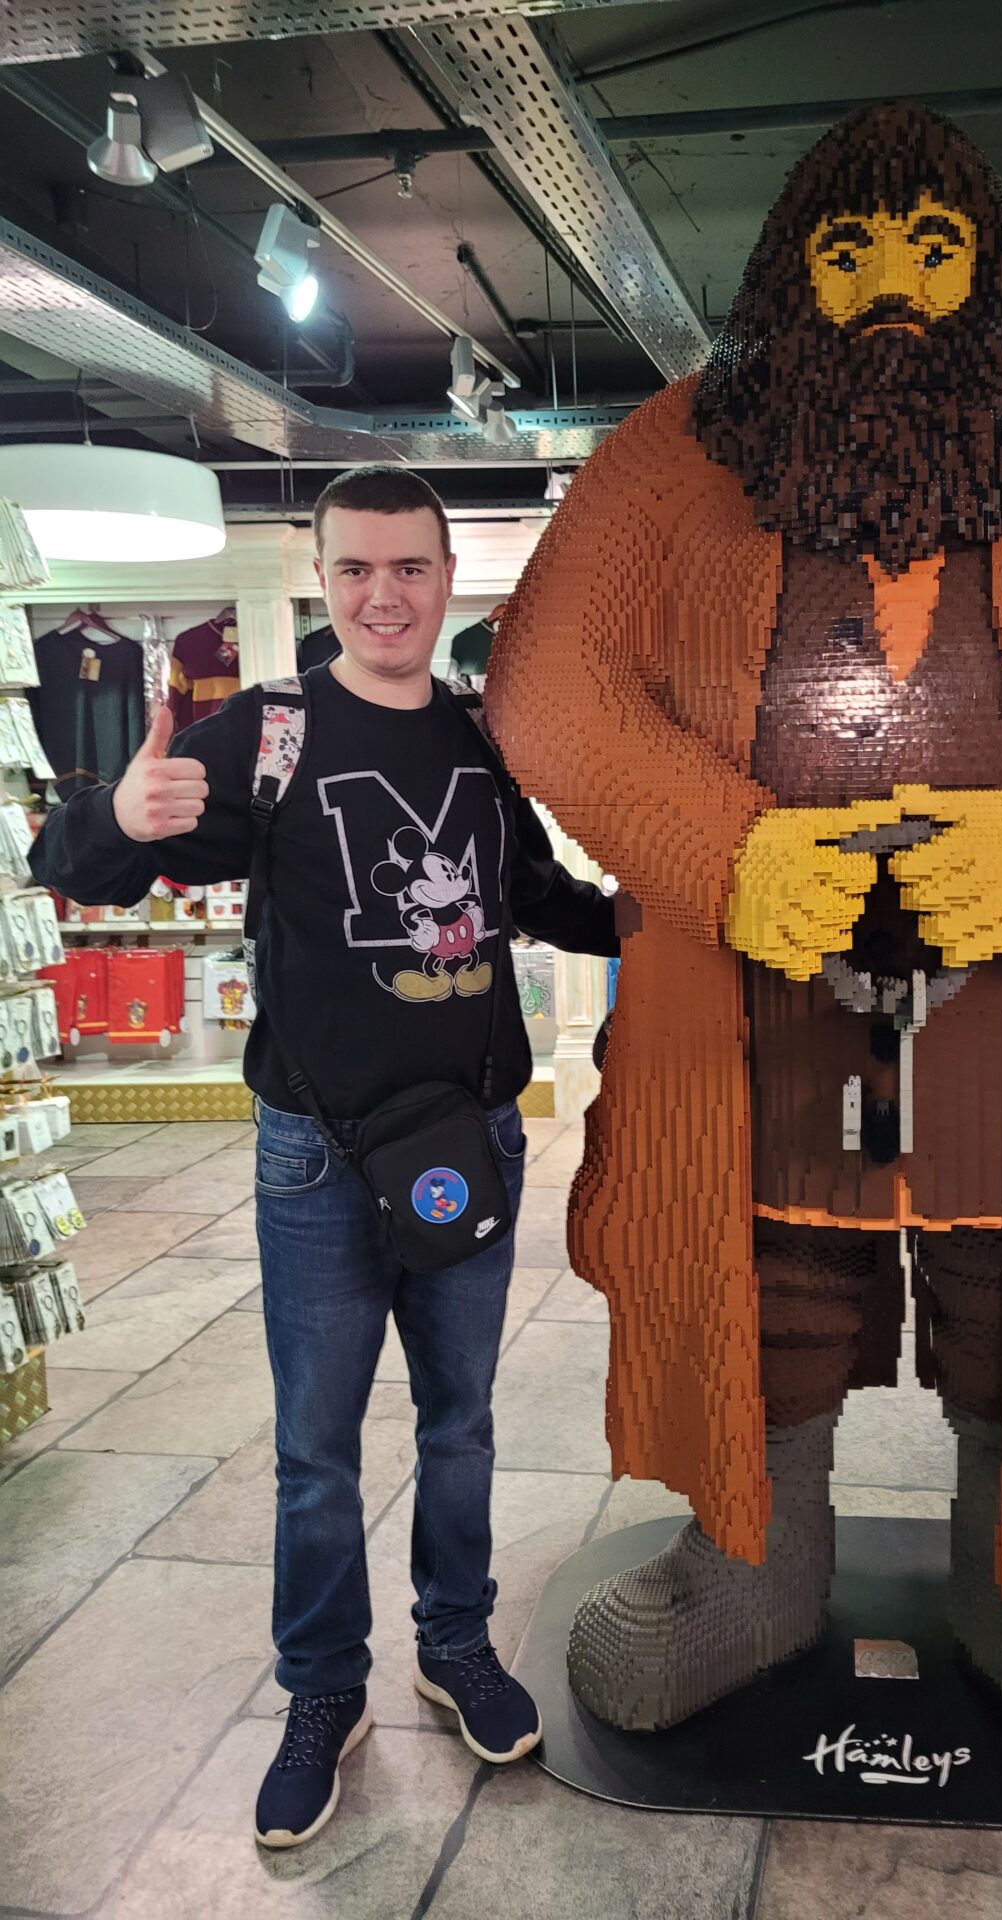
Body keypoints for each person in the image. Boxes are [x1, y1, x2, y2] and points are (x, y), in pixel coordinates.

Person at [486, 103, 1002, 1770]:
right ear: (793, 275)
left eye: (934, 247)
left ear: (994, 267)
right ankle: (750, 1564)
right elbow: (547, 684)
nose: (894, 288)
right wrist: (722, 850)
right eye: (849, 253)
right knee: (766, 1279)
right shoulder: (672, 450)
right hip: (754, 1010)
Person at [29, 465, 618, 1848]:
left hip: (467, 1142)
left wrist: (667, 919)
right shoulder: (268, 732)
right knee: (315, 1449)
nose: (383, 595)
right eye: (354, 569)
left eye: (408, 567)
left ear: (446, 578)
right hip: (316, 1159)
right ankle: (322, 1691)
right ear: (323, 576)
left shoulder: (479, 738)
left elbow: (530, 894)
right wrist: (113, 820)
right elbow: (86, 867)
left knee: (460, 1424)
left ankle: (454, 1644)